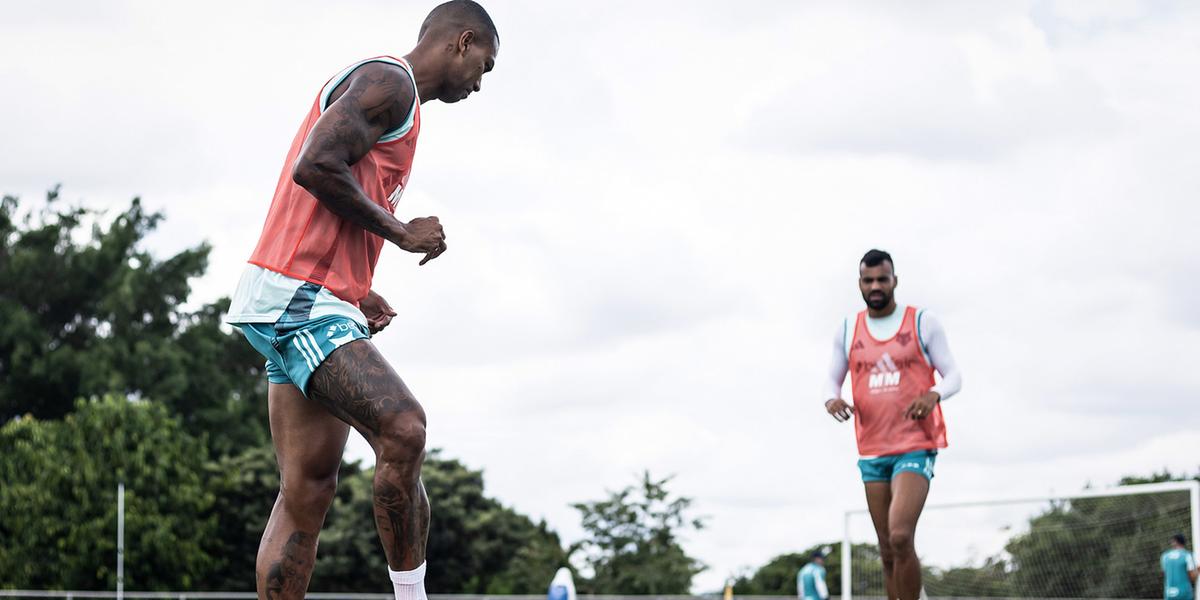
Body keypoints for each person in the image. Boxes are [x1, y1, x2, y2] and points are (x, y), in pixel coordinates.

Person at [223, 2, 499, 598]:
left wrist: (356, 287)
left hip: (303, 294)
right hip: (298, 297)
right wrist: (401, 233)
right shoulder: (390, 82)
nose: (481, 81)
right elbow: (316, 165)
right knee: (404, 428)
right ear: (463, 41)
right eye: (486, 64)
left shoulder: (396, 100)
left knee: (307, 489)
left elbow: (326, 199)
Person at [823, 249, 963, 600]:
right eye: (868, 280)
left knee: (901, 535)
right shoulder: (847, 328)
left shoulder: (921, 321)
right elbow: (830, 381)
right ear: (860, 283)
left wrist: (933, 394)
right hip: (872, 448)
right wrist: (832, 399)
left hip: (915, 444)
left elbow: (954, 375)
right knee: (887, 549)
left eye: (881, 279)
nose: (875, 286)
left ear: (894, 281)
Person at [1163, 534, 1198, 600]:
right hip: (1184, 593)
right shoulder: (1187, 555)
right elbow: (1192, 576)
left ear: (1174, 542)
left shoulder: (1165, 556)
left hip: (1168, 593)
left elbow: (1165, 573)